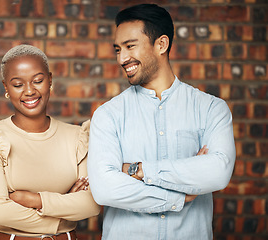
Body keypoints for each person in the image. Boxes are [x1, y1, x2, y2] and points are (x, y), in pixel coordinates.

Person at [88, 4, 236, 240]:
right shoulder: (108, 115)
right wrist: (177, 196)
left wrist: (138, 170)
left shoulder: (211, 109)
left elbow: (218, 173)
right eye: (118, 49)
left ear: (161, 45)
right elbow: (104, 189)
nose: (122, 58)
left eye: (130, 46)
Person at [0, 44, 100, 240]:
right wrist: (64, 209)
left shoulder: (77, 137)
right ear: (6, 88)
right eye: (18, 85)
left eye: (37, 80)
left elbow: (91, 205)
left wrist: (35, 200)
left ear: (50, 80)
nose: (29, 91)